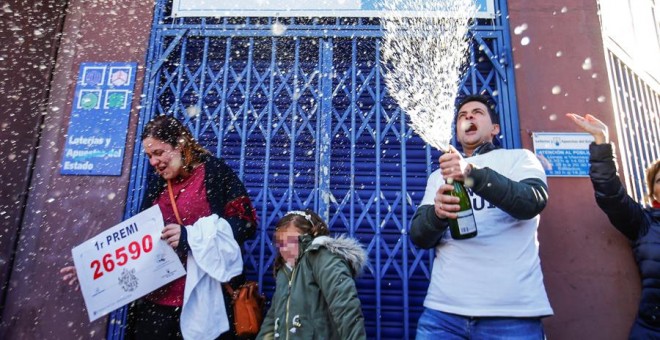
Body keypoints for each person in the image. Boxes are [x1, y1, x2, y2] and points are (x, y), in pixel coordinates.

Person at [60, 115, 258, 339]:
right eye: (149, 156)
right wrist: (93, 271)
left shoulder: (215, 173)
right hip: (157, 304)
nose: (153, 162)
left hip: (206, 297)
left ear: (180, 145)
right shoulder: (158, 185)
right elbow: (136, 242)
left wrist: (191, 236)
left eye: (159, 153)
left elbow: (246, 224)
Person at [411, 94, 552, 339]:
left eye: (477, 112)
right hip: (442, 315)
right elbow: (420, 236)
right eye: (462, 115)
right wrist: (437, 214)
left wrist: (470, 174)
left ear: (494, 128)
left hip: (512, 315)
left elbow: (531, 201)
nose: (468, 116)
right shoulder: (438, 176)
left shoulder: (519, 159)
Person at [567, 113, 660, 338]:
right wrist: (601, 141)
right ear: (652, 189)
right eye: (659, 180)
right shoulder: (645, 222)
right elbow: (611, 195)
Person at [256, 209, 367, 340]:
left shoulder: (322, 257)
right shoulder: (285, 271)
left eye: (291, 241)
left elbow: (345, 308)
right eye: (281, 244)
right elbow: (273, 318)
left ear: (309, 236)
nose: (285, 249)